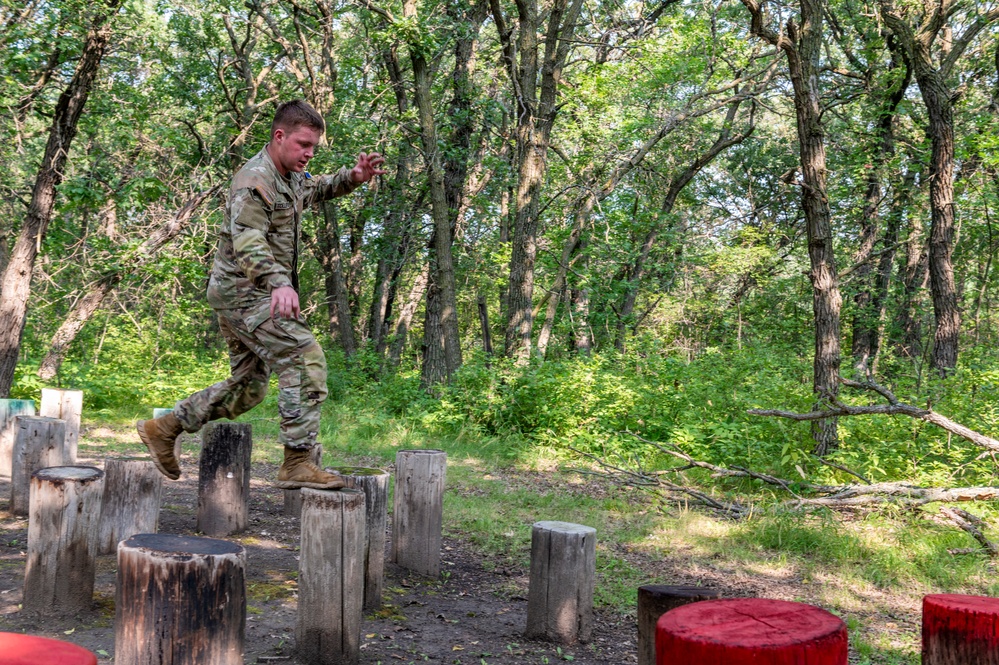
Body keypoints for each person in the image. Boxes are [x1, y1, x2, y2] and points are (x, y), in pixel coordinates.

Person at [137, 99, 386, 489]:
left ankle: (165, 427)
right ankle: (298, 462)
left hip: (241, 294)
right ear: (279, 135)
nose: (309, 153)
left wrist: (352, 177)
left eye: (314, 148)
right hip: (246, 294)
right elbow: (247, 240)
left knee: (249, 388)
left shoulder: (288, 176)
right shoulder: (255, 179)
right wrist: (278, 282)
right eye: (303, 144)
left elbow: (314, 189)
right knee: (305, 359)